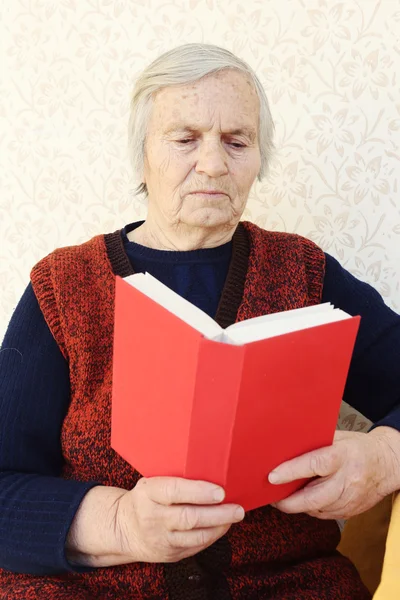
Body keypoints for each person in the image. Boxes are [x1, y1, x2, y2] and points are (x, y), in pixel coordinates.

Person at [0, 42, 399, 600]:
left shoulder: (303, 270)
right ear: (143, 154)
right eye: (185, 139)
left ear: (260, 159)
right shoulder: (63, 286)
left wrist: (386, 455)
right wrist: (121, 523)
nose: (213, 163)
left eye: (237, 142)